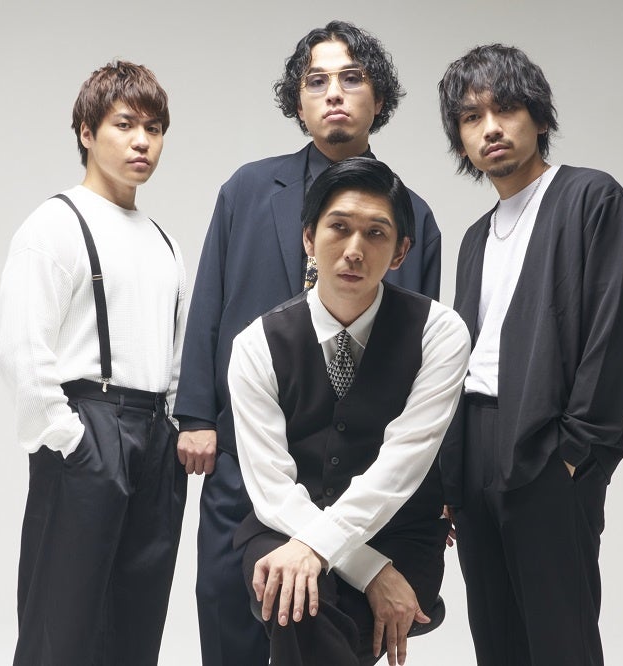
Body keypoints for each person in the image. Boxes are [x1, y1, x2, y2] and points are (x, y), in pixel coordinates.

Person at [175, 20, 442, 666]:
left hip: (357, 470)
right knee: (228, 610)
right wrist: (195, 415)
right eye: (317, 82)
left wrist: (444, 487)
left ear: (379, 98)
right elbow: (209, 302)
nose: (334, 94)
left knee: (321, 632)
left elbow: (428, 362)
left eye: (352, 79)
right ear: (297, 102)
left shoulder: (410, 218)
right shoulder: (247, 190)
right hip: (248, 448)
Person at [437, 44, 623, 665]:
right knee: (495, 637)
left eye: (505, 109)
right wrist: (451, 470)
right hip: (474, 445)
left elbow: (612, 330)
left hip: (547, 444)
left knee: (560, 639)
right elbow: (462, 357)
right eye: (471, 117)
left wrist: (579, 451)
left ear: (539, 116)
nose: (490, 128)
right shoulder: (475, 238)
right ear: (460, 140)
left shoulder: (591, 198)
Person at [228, 157, 468, 666]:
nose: (355, 250)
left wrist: (336, 552)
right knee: (295, 600)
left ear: (401, 251)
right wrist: (369, 570)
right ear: (309, 239)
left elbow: (402, 465)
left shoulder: (439, 333)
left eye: (376, 233)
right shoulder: (256, 345)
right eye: (339, 227)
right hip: (284, 524)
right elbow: (271, 489)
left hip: (399, 533)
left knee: (309, 622)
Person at [0, 60, 187, 666]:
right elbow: (23, 351)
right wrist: (70, 440)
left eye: (154, 128)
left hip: (154, 435)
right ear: (86, 131)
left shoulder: (165, 241)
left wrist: (171, 430)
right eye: (124, 124)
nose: (141, 141)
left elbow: (175, 356)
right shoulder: (54, 225)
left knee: (137, 621)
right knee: (63, 622)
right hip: (89, 427)